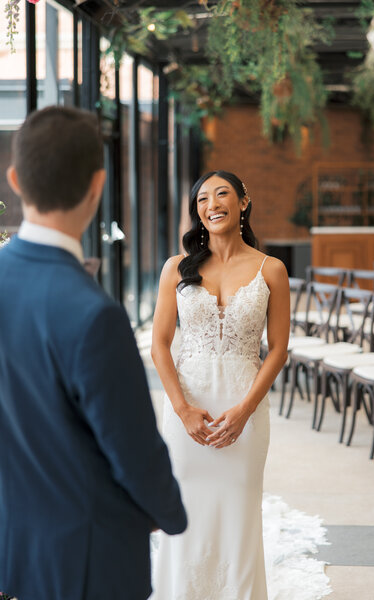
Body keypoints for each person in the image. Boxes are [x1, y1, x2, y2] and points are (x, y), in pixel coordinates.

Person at [0, 106, 187, 600]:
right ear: (97, 185)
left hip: (16, 548)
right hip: (90, 559)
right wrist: (169, 513)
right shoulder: (93, 313)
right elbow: (133, 450)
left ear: (15, 179)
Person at [151, 170, 290, 599]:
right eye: (202, 199)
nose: (211, 204)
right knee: (185, 513)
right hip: (187, 412)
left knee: (239, 514)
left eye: (222, 194)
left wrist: (246, 411)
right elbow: (158, 344)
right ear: (197, 212)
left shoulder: (272, 270)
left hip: (244, 412)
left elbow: (279, 350)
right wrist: (182, 409)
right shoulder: (176, 268)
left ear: (243, 202)